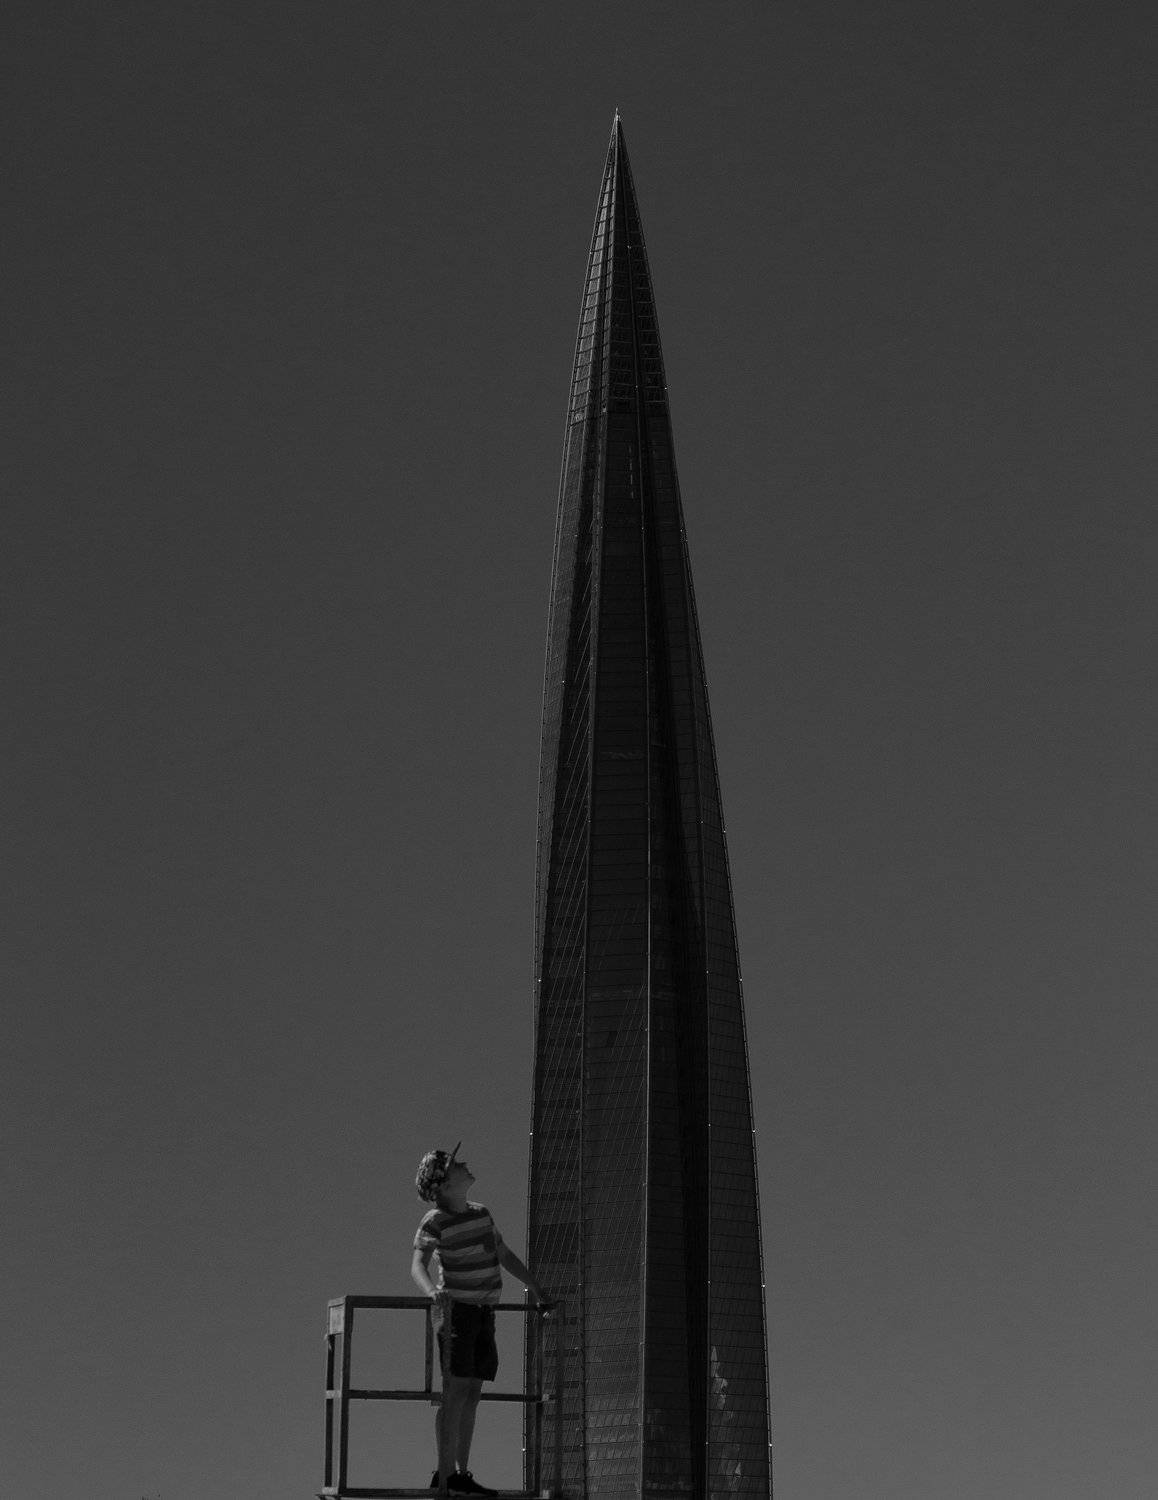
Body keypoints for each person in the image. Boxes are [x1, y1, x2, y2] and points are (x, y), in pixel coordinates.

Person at [411, 1143, 552, 1497]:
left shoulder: (481, 1213)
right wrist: (432, 1292)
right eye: (456, 1165)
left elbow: (503, 1254)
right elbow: (418, 1265)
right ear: (443, 1184)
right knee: (455, 1392)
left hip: (484, 1312)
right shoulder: (435, 1221)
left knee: (472, 1391)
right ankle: (443, 1473)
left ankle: (460, 1471)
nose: (466, 1165)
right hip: (457, 1311)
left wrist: (535, 1286)